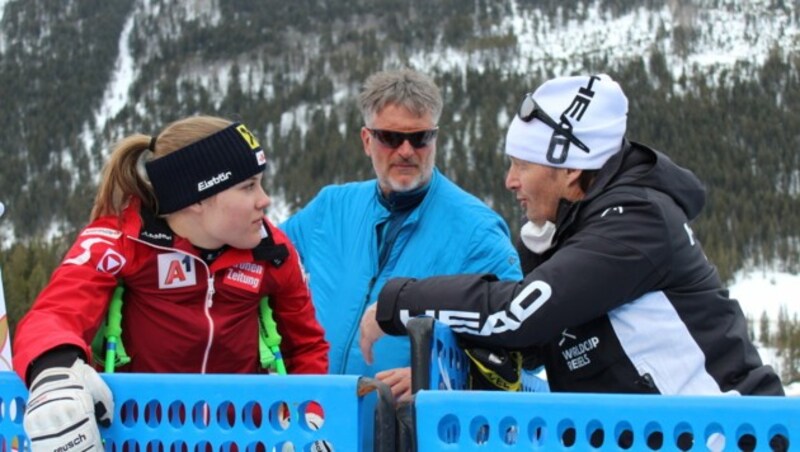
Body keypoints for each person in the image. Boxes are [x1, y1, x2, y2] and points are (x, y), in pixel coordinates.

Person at [361, 73, 784, 397]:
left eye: (522, 165)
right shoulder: (571, 231)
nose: (510, 181)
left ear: (570, 169)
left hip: (727, 433)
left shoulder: (636, 224)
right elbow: (535, 343)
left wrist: (400, 303)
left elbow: (517, 315)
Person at [13, 116, 329, 450]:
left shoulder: (273, 253)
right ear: (196, 198)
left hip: (241, 440)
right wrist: (54, 371)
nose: (264, 200)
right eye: (248, 186)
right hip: (142, 436)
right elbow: (55, 312)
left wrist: (307, 418)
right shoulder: (123, 240)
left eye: (261, 183)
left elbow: (307, 347)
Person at [280, 68, 522, 401]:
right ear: (367, 140)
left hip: (408, 430)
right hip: (319, 419)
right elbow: (262, 258)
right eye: (391, 138)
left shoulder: (476, 230)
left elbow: (515, 338)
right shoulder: (330, 208)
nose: (406, 150)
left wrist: (434, 375)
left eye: (420, 138)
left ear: (434, 139)